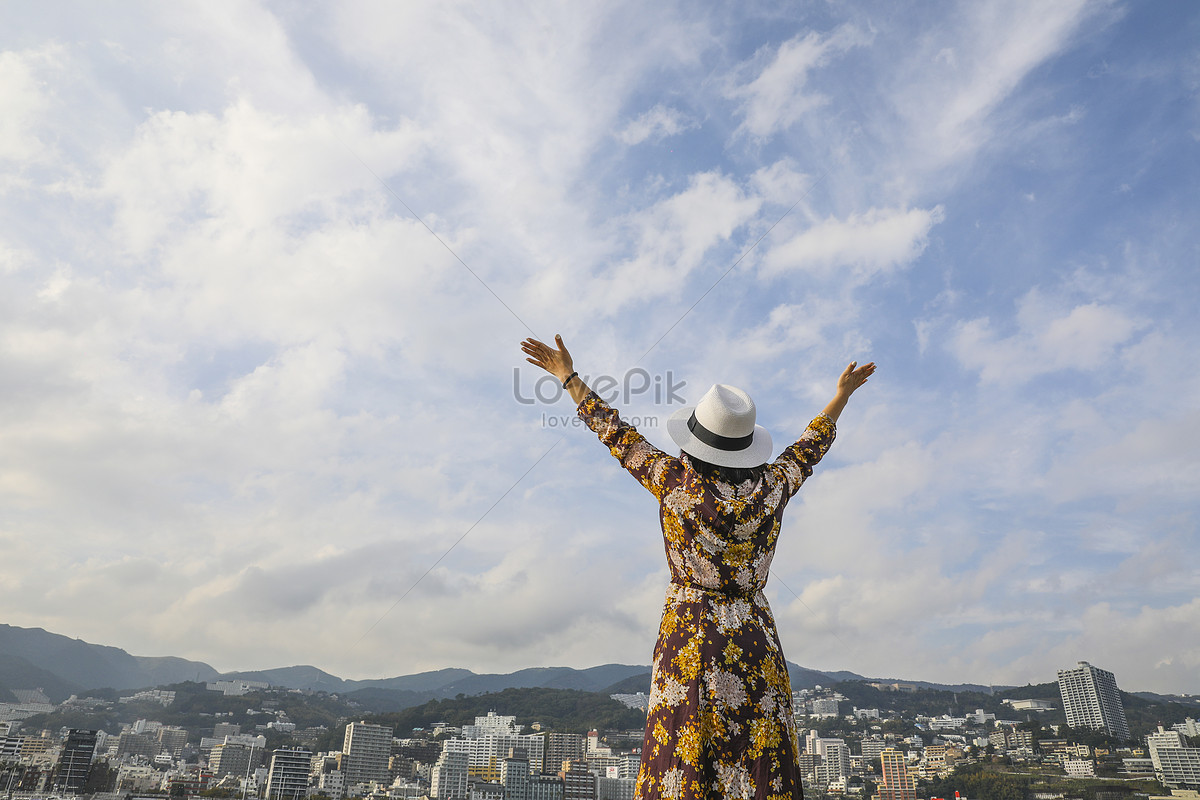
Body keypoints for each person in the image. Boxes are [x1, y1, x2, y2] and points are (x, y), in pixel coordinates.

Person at [520, 334, 875, 800]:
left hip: (690, 635)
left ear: (695, 442)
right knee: (758, 760)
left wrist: (568, 378)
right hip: (754, 637)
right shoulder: (770, 488)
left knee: (682, 757)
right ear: (746, 447)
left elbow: (614, 432)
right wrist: (841, 396)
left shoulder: (674, 482)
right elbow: (809, 448)